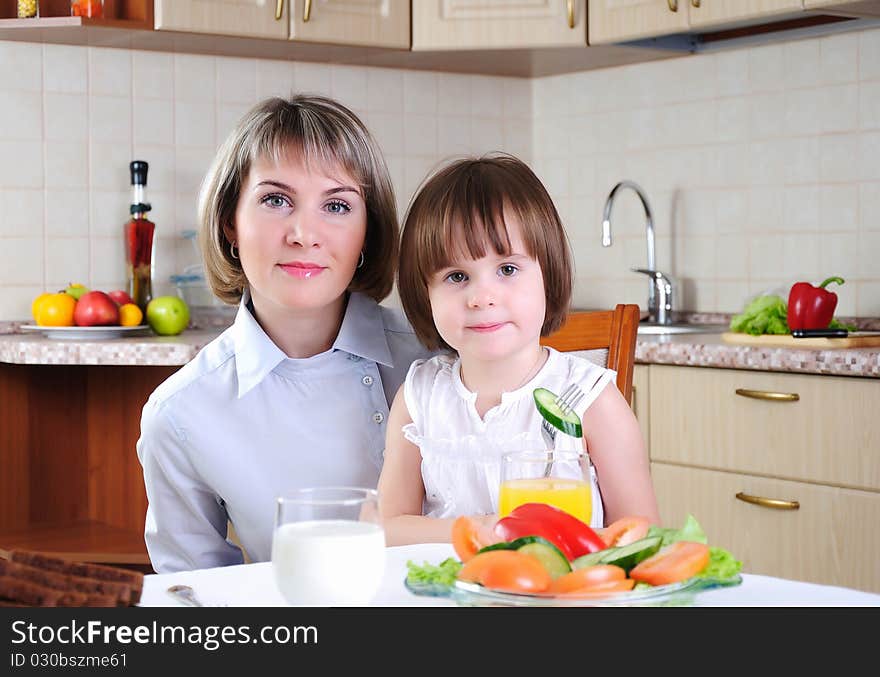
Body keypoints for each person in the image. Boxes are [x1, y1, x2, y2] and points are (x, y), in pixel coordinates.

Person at [137, 95, 432, 573]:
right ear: (230, 222)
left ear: (368, 233)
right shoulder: (180, 414)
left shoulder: (438, 358)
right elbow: (195, 600)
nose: (304, 233)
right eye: (276, 200)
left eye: (336, 205)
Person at [377, 154, 660, 546]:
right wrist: (481, 531)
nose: (482, 296)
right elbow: (388, 528)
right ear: (424, 294)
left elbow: (641, 534)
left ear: (549, 273)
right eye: (456, 276)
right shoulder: (419, 398)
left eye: (507, 269)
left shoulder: (591, 399)